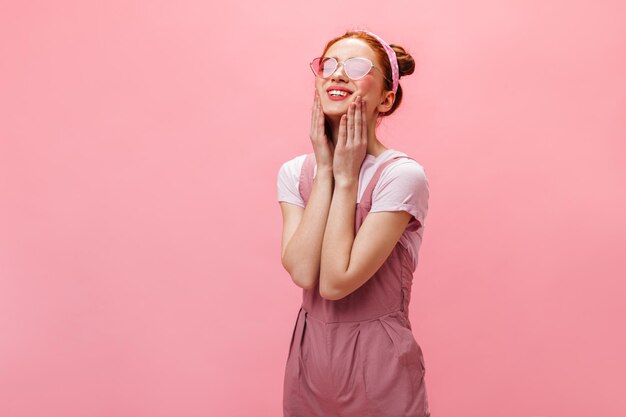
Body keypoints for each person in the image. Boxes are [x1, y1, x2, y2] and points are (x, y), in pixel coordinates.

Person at [277, 28, 431, 417]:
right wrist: (326, 170)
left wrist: (345, 179)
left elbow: (334, 282)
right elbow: (301, 270)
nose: (338, 74)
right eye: (328, 64)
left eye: (357, 67)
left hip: (377, 366)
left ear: (386, 98)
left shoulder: (400, 176)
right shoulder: (296, 172)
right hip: (310, 362)